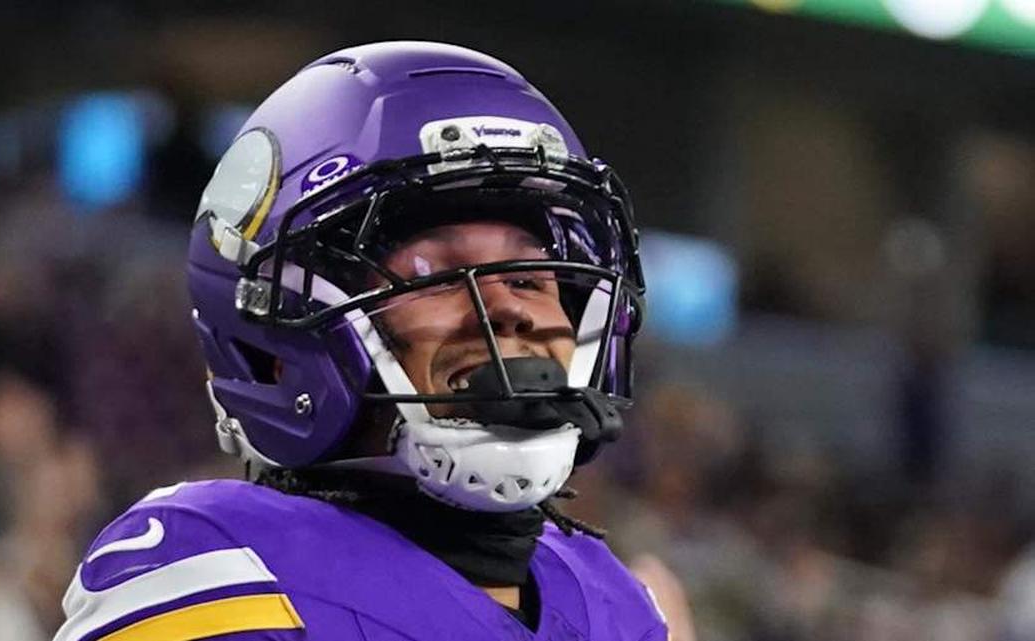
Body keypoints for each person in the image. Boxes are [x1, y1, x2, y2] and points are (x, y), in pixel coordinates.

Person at [53, 41, 684, 641]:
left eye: (527, 276)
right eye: (437, 276)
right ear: (282, 341)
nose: (508, 310)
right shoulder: (225, 573)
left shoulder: (615, 601)